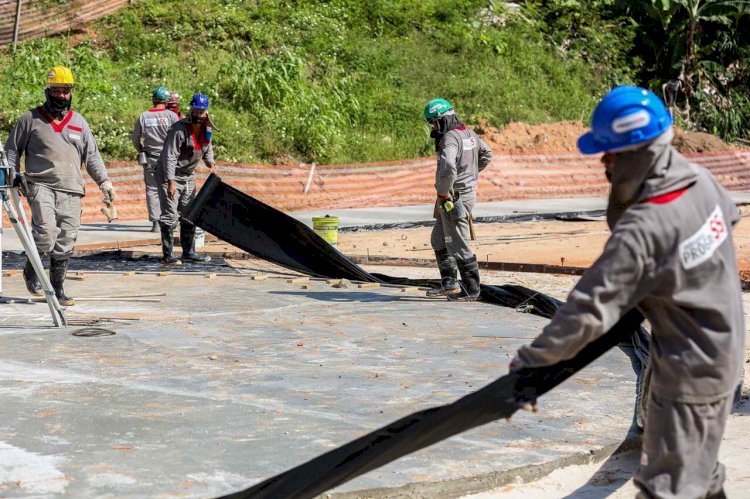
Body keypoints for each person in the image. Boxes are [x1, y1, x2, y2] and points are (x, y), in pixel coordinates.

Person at [509, 86, 744, 499]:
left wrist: (532, 363)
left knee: (667, 487)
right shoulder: (700, 181)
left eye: (610, 153)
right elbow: (728, 216)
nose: (603, 162)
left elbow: (587, 310)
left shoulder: (644, 229)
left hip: (691, 369)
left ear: (638, 154)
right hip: (723, 349)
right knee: (696, 470)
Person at [4, 66, 115, 306]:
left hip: (72, 189)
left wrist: (104, 181)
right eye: (56, 90)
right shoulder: (30, 119)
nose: (61, 95)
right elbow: (12, 149)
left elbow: (92, 155)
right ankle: (31, 271)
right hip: (40, 184)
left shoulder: (79, 122)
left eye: (65, 91)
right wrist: (13, 175)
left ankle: (57, 289)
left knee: (66, 239)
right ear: (48, 91)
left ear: (71, 92)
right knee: (45, 234)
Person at [423, 98, 493, 301]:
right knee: (438, 239)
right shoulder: (468, 134)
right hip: (461, 194)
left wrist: (444, 193)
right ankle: (450, 284)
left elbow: (448, 167)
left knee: (459, 244)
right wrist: (471, 174)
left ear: (439, 120)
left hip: (453, 198)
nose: (433, 128)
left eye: (433, 123)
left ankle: (472, 290)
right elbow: (487, 154)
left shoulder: (450, 139)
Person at [155, 93, 216, 265]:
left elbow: (207, 145)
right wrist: (170, 181)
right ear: (191, 110)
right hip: (171, 173)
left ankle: (188, 252)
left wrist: (210, 161)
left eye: (201, 111)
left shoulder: (207, 128)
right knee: (170, 214)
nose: (198, 114)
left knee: (189, 213)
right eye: (195, 110)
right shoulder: (179, 129)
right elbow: (169, 156)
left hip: (188, 174)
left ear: (206, 112)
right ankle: (168, 256)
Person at [132, 86, 180, 232]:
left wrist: (141, 149)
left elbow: (135, 138)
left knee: (152, 188)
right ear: (166, 101)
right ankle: (171, 219)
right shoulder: (171, 116)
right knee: (170, 186)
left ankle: (156, 222)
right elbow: (178, 136)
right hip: (169, 158)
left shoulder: (144, 116)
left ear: (153, 100)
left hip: (150, 157)